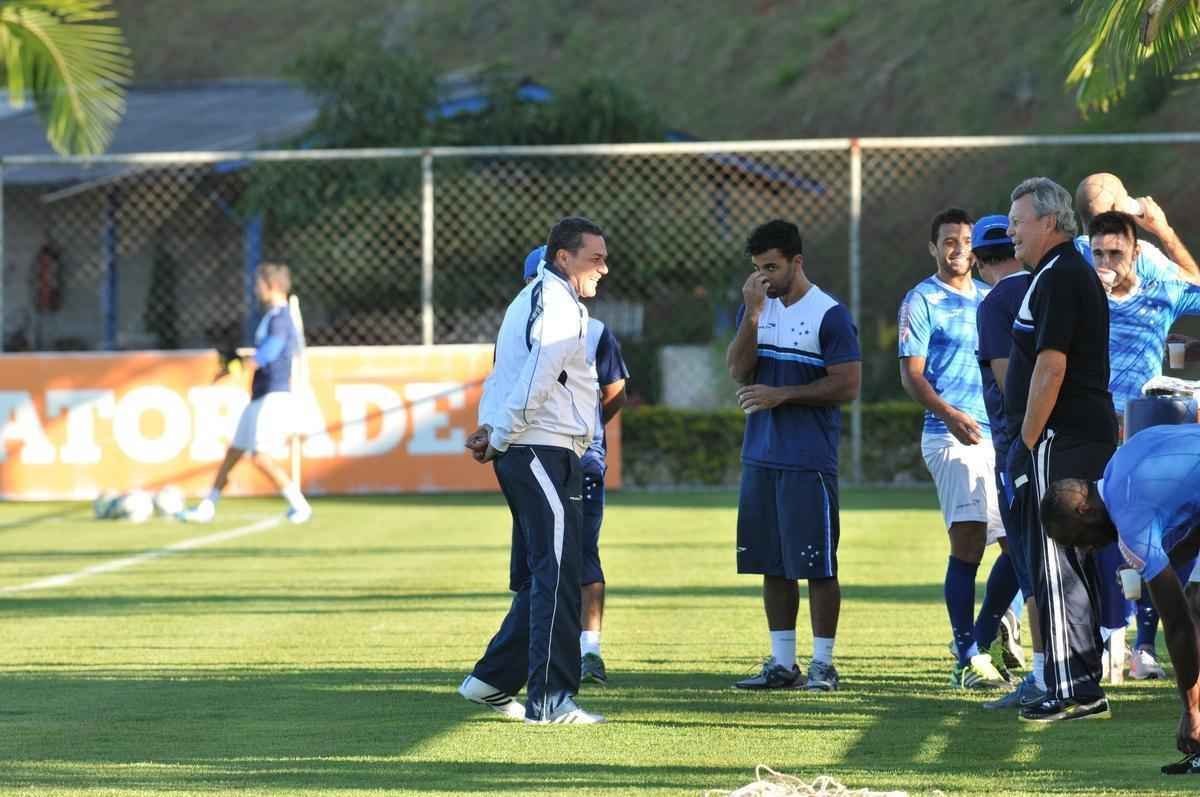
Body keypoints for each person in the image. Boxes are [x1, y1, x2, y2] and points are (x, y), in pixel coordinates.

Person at [457, 216, 608, 725]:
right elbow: (537, 375)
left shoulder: (540, 299)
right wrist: (499, 434)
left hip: (540, 448)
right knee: (559, 573)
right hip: (539, 449)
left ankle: (491, 681)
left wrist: (491, 427)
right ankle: (551, 700)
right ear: (563, 257)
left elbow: (505, 373)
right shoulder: (556, 302)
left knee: (549, 572)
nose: (604, 269)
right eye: (595, 258)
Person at [725, 219, 861, 692]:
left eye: (772, 267)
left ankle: (823, 664)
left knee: (818, 564)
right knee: (772, 563)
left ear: (797, 262)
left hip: (808, 459)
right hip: (760, 458)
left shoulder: (829, 314)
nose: (764, 277)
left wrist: (783, 395)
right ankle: (783, 664)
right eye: (757, 269)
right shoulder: (758, 309)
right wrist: (752, 314)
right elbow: (739, 372)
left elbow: (848, 383)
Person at [1004, 177, 1118, 723]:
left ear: (1049, 222)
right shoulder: (1058, 273)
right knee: (1067, 559)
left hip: (1063, 436)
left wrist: (1028, 438)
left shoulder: (1062, 275)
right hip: (1074, 434)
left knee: (1057, 559)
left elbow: (1052, 365)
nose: (1011, 232)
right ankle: (1079, 681)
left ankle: (1075, 687)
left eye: (1018, 221)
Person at [1075, 209, 1200, 679]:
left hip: (1147, 429)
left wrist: (1164, 231)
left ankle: (1143, 645)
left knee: (1159, 539)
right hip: (1093, 427)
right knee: (1102, 533)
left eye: (1116, 253)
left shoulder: (1159, 292)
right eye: (1099, 253)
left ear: (1135, 254)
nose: (1107, 261)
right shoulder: (1079, 296)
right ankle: (1108, 636)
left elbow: (1197, 286)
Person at [1039, 425, 1200, 755]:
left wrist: (1192, 711)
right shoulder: (1121, 459)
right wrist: (1174, 556)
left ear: (1084, 510)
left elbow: (1177, 623)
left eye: (1077, 540)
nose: (1090, 549)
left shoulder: (1131, 524)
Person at [898, 208, 1008, 690]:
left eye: (965, 240)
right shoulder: (921, 300)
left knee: (1021, 546)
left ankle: (980, 641)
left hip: (997, 434)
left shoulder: (992, 297)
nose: (959, 247)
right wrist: (950, 414)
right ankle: (967, 653)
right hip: (950, 435)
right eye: (948, 240)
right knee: (968, 543)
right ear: (933, 247)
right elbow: (912, 374)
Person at [522, 245, 630, 686]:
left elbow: (615, 390)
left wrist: (584, 429)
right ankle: (542, 651)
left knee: (582, 554)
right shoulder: (519, 327)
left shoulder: (596, 330)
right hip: (533, 457)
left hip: (579, 459)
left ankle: (589, 652)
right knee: (534, 557)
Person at [969, 215, 1048, 709]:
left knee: (1030, 562)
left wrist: (1023, 442)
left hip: (1018, 445)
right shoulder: (1050, 284)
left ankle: (1044, 676)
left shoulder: (996, 301)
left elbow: (1007, 385)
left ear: (977, 260)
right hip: (1065, 440)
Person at [180, 262, 311, 525]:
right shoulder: (272, 317)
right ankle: (208, 506)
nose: (255, 289)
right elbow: (264, 353)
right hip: (259, 393)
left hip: (273, 394)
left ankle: (300, 505)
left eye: (258, 284)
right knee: (234, 452)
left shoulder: (280, 318)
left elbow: (271, 352)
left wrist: (244, 365)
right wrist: (232, 367)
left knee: (259, 456)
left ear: (271, 285)